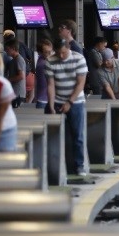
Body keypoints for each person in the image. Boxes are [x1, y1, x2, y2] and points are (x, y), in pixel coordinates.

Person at [45, 37, 88, 176]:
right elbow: (50, 85)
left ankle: (79, 166)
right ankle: (54, 167)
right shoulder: (50, 60)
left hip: (76, 102)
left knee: (77, 135)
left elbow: (80, 84)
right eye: (58, 53)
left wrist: (69, 102)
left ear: (68, 48)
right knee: (53, 136)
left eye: (64, 52)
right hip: (57, 101)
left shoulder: (79, 58)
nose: (61, 56)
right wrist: (51, 106)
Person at [3, 40, 26, 108]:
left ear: (13, 48)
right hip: (14, 93)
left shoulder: (19, 60)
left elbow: (21, 76)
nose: (6, 51)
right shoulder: (13, 60)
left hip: (18, 94)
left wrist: (8, 80)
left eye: (7, 49)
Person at [33, 38, 52, 110]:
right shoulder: (43, 64)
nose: (50, 54)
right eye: (46, 52)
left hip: (43, 99)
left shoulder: (41, 58)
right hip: (44, 101)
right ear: (40, 52)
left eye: (50, 51)